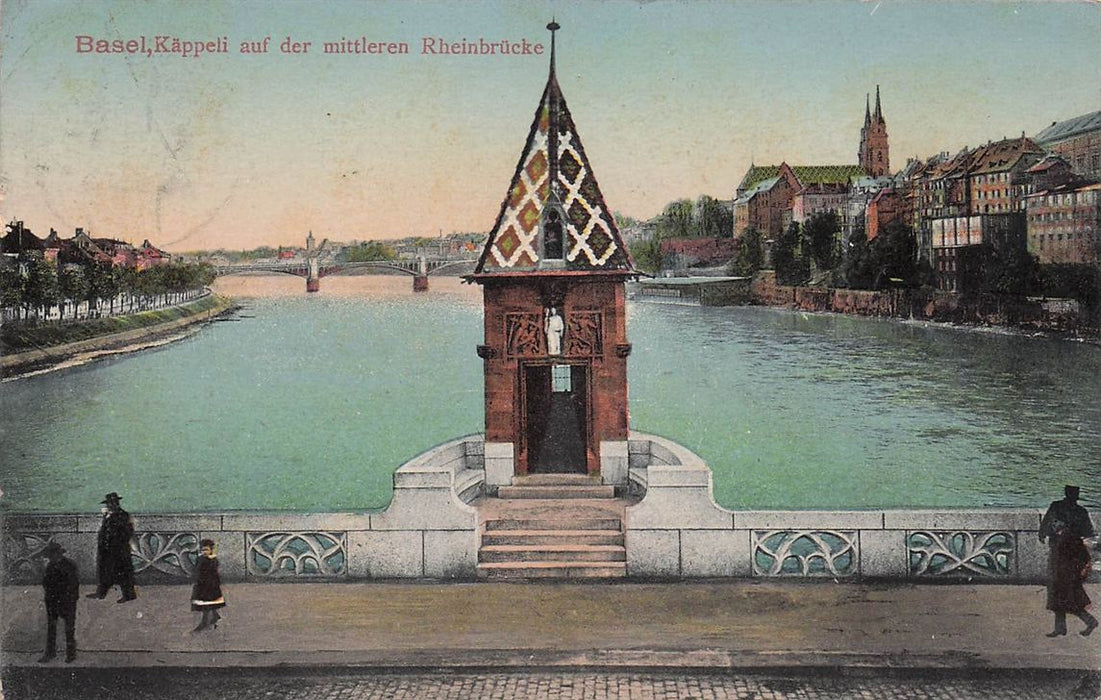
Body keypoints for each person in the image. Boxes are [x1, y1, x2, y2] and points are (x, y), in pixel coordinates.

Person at [1043, 524, 1098, 637]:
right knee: (1058, 604)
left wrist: (1078, 572)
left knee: (1072, 604)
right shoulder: (1061, 537)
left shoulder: (1070, 537)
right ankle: (1060, 629)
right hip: (1060, 576)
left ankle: (1091, 622)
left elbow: (1083, 557)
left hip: (1067, 576)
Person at [87, 492, 137, 603]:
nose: (110, 505)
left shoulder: (122, 515)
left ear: (116, 503)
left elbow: (127, 532)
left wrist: (117, 543)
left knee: (123, 573)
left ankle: (128, 594)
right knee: (104, 571)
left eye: (112, 503)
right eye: (109, 503)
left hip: (118, 549)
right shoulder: (110, 515)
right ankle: (101, 593)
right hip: (107, 549)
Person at [38, 542, 79, 663]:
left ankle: (71, 654)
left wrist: (70, 599)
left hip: (67, 601)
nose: (51, 557)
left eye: (52, 555)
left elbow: (73, 585)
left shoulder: (69, 565)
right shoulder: (50, 566)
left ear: (58, 554)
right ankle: (50, 653)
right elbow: (45, 582)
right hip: (52, 601)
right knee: (52, 628)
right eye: (50, 555)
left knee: (69, 628)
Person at [191, 539, 226, 632]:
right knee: (207, 602)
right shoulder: (199, 558)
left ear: (211, 550)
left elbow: (214, 572)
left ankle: (204, 622)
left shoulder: (213, 560)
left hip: (210, 585)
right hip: (201, 584)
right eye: (203, 550)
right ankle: (215, 616)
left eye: (206, 550)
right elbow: (196, 570)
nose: (204, 552)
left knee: (207, 603)